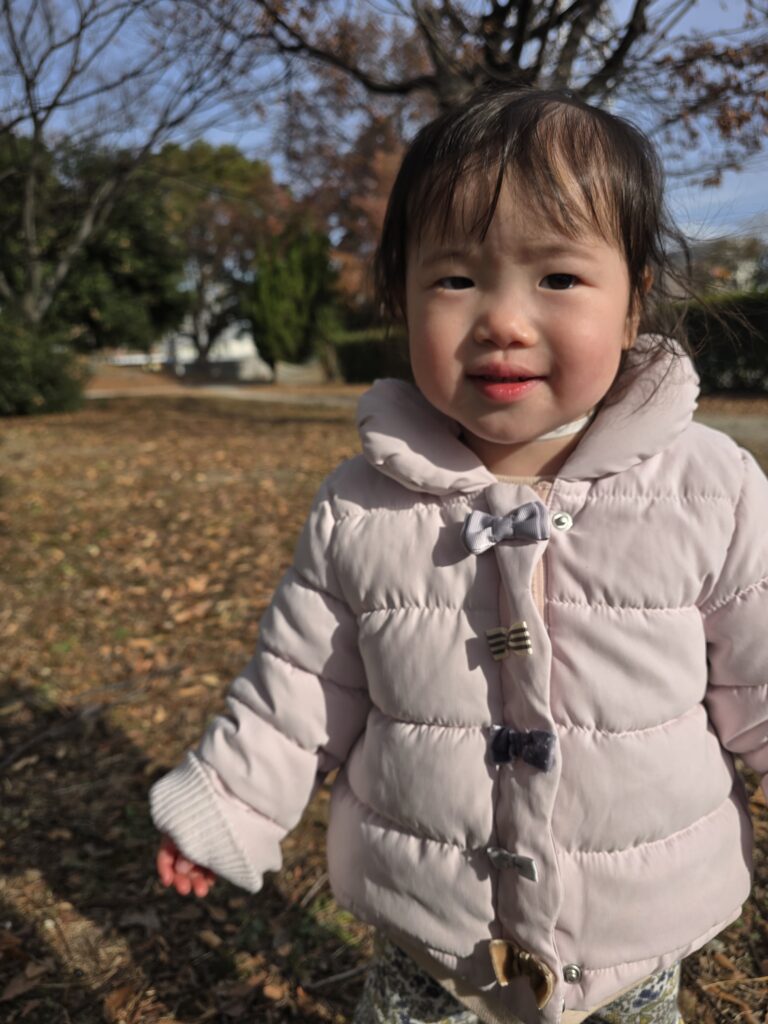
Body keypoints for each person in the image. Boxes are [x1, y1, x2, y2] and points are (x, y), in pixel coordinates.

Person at [149, 87, 768, 1024]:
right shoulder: (362, 504)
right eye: (454, 280)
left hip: (634, 928)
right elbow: (301, 684)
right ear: (400, 297)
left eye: (558, 278)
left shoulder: (708, 489)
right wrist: (230, 799)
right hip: (431, 932)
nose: (503, 321)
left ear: (633, 298)